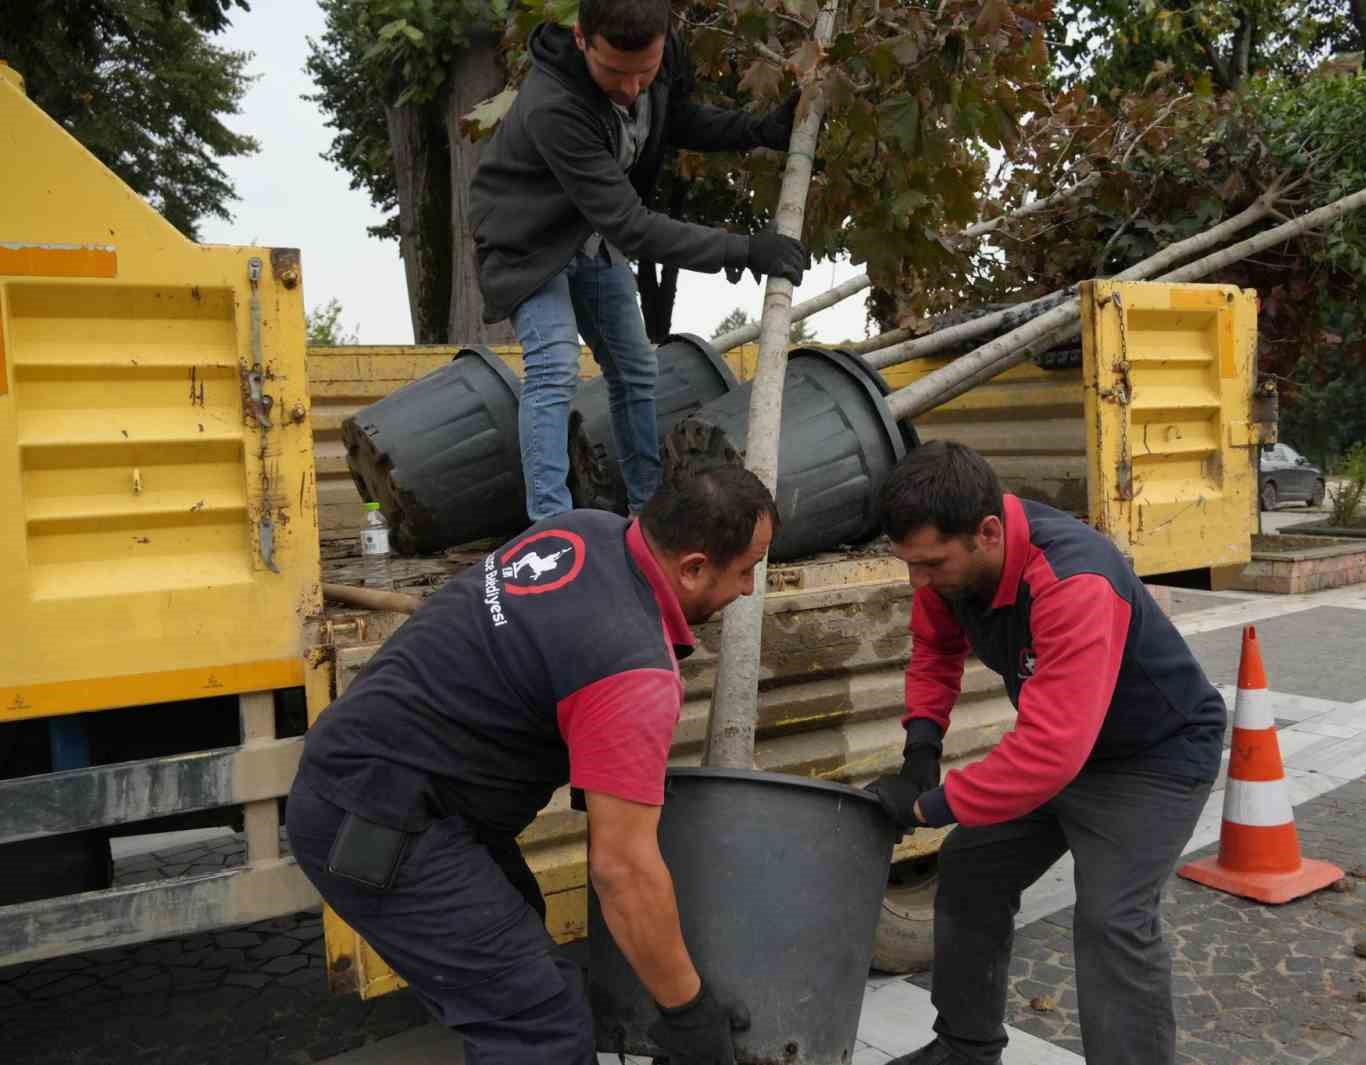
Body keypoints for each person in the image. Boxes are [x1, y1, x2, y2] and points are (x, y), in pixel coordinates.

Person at [287, 465, 779, 1065]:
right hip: (375, 818)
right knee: (540, 1024)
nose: (750, 589)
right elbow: (622, 870)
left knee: (524, 946)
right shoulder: (632, 670)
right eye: (747, 570)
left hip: (381, 778)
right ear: (694, 567)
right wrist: (688, 1011)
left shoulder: (583, 531)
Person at [864, 441, 1225, 1065]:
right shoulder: (951, 565)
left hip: (1155, 757)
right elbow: (935, 651)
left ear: (987, 531)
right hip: (1071, 746)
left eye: (931, 564)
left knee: (1114, 921)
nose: (919, 581)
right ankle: (965, 1049)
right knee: (973, 873)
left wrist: (926, 807)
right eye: (909, 564)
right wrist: (921, 743)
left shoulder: (1073, 580)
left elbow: (1049, 751)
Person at [469, 0, 810, 523]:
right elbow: (630, 224)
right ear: (582, 38)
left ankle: (647, 518)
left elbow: (672, 118)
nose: (630, 89)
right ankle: (553, 530)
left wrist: (755, 130)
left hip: (589, 235)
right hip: (528, 241)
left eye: (644, 74)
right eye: (614, 72)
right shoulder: (553, 104)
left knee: (636, 369)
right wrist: (741, 249)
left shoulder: (662, 50)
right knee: (555, 366)